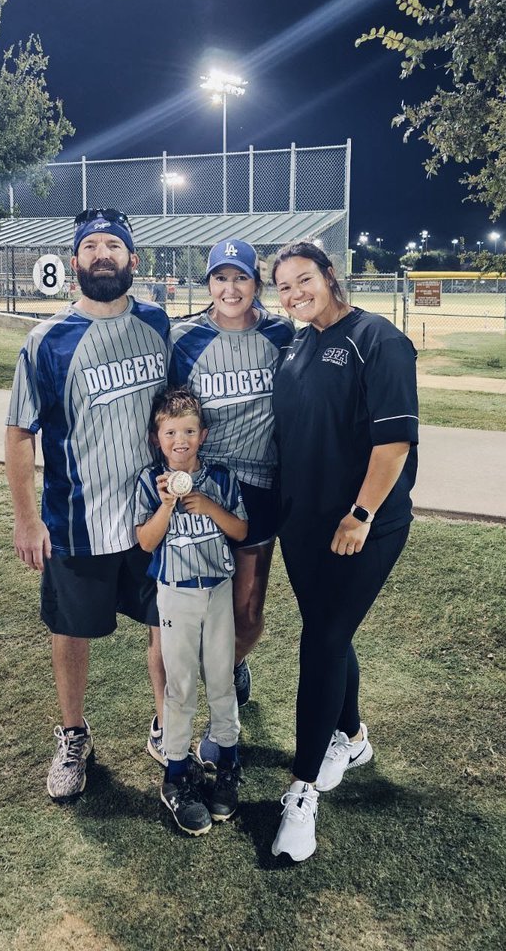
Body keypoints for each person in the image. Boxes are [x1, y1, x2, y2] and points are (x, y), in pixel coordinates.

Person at [5, 207, 169, 801]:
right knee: (70, 630)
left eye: (114, 245)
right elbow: (20, 433)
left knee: (165, 625)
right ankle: (74, 733)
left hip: (153, 515)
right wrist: (26, 518)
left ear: (133, 259)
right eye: (92, 245)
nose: (104, 254)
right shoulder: (45, 341)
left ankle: (166, 727)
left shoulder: (158, 324)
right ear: (75, 261)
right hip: (76, 517)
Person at [268, 241, 419, 862]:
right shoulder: (297, 345)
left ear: (331, 276)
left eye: (304, 279)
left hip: (362, 527)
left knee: (323, 641)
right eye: (284, 287)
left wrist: (361, 514)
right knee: (327, 631)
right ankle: (351, 737)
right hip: (301, 526)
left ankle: (302, 793)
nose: (295, 293)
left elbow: (393, 447)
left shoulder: (378, 340)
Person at [167, 237, 293, 760]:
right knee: (194, 602)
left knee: (246, 605)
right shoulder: (186, 340)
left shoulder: (281, 334)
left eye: (240, 277)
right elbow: (171, 416)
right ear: (209, 285)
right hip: (206, 484)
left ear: (256, 285)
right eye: (220, 278)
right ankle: (185, 706)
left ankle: (231, 672)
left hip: (261, 483)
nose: (230, 288)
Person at [135, 387, 248, 835]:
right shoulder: (150, 481)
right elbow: (146, 541)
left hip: (217, 589)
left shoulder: (219, 477)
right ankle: (176, 776)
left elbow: (241, 530)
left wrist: (210, 507)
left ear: (202, 435)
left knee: (221, 680)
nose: (179, 440)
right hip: (175, 593)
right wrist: (167, 505)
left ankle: (227, 765)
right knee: (179, 686)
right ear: (157, 438)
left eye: (188, 431)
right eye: (170, 432)